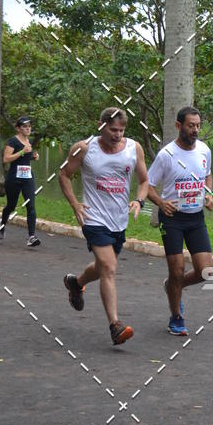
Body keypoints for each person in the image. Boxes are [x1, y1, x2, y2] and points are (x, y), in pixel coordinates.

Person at [59, 108, 149, 346]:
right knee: (109, 267)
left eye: (121, 130)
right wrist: (75, 204)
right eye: (112, 129)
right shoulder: (85, 148)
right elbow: (64, 174)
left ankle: (75, 283)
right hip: (93, 217)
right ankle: (115, 326)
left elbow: (144, 181)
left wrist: (139, 200)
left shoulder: (134, 148)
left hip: (118, 220)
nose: (117, 134)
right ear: (100, 125)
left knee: (101, 268)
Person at [147, 106, 213, 335]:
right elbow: (147, 185)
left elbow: (207, 176)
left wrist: (209, 194)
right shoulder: (167, 155)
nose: (195, 130)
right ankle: (176, 318)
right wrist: (160, 203)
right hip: (173, 218)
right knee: (176, 270)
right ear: (179, 126)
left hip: (196, 218)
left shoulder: (204, 150)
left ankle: (172, 287)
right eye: (190, 125)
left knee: (206, 271)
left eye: (197, 125)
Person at [0, 116, 41, 247]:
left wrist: (33, 157)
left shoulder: (29, 141)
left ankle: (31, 237)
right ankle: (2, 224)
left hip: (27, 177)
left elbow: (25, 159)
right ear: (18, 128)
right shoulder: (13, 141)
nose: (28, 128)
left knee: (31, 206)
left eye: (29, 126)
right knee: (11, 206)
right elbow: (6, 159)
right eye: (24, 126)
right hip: (14, 178)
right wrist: (22, 152)